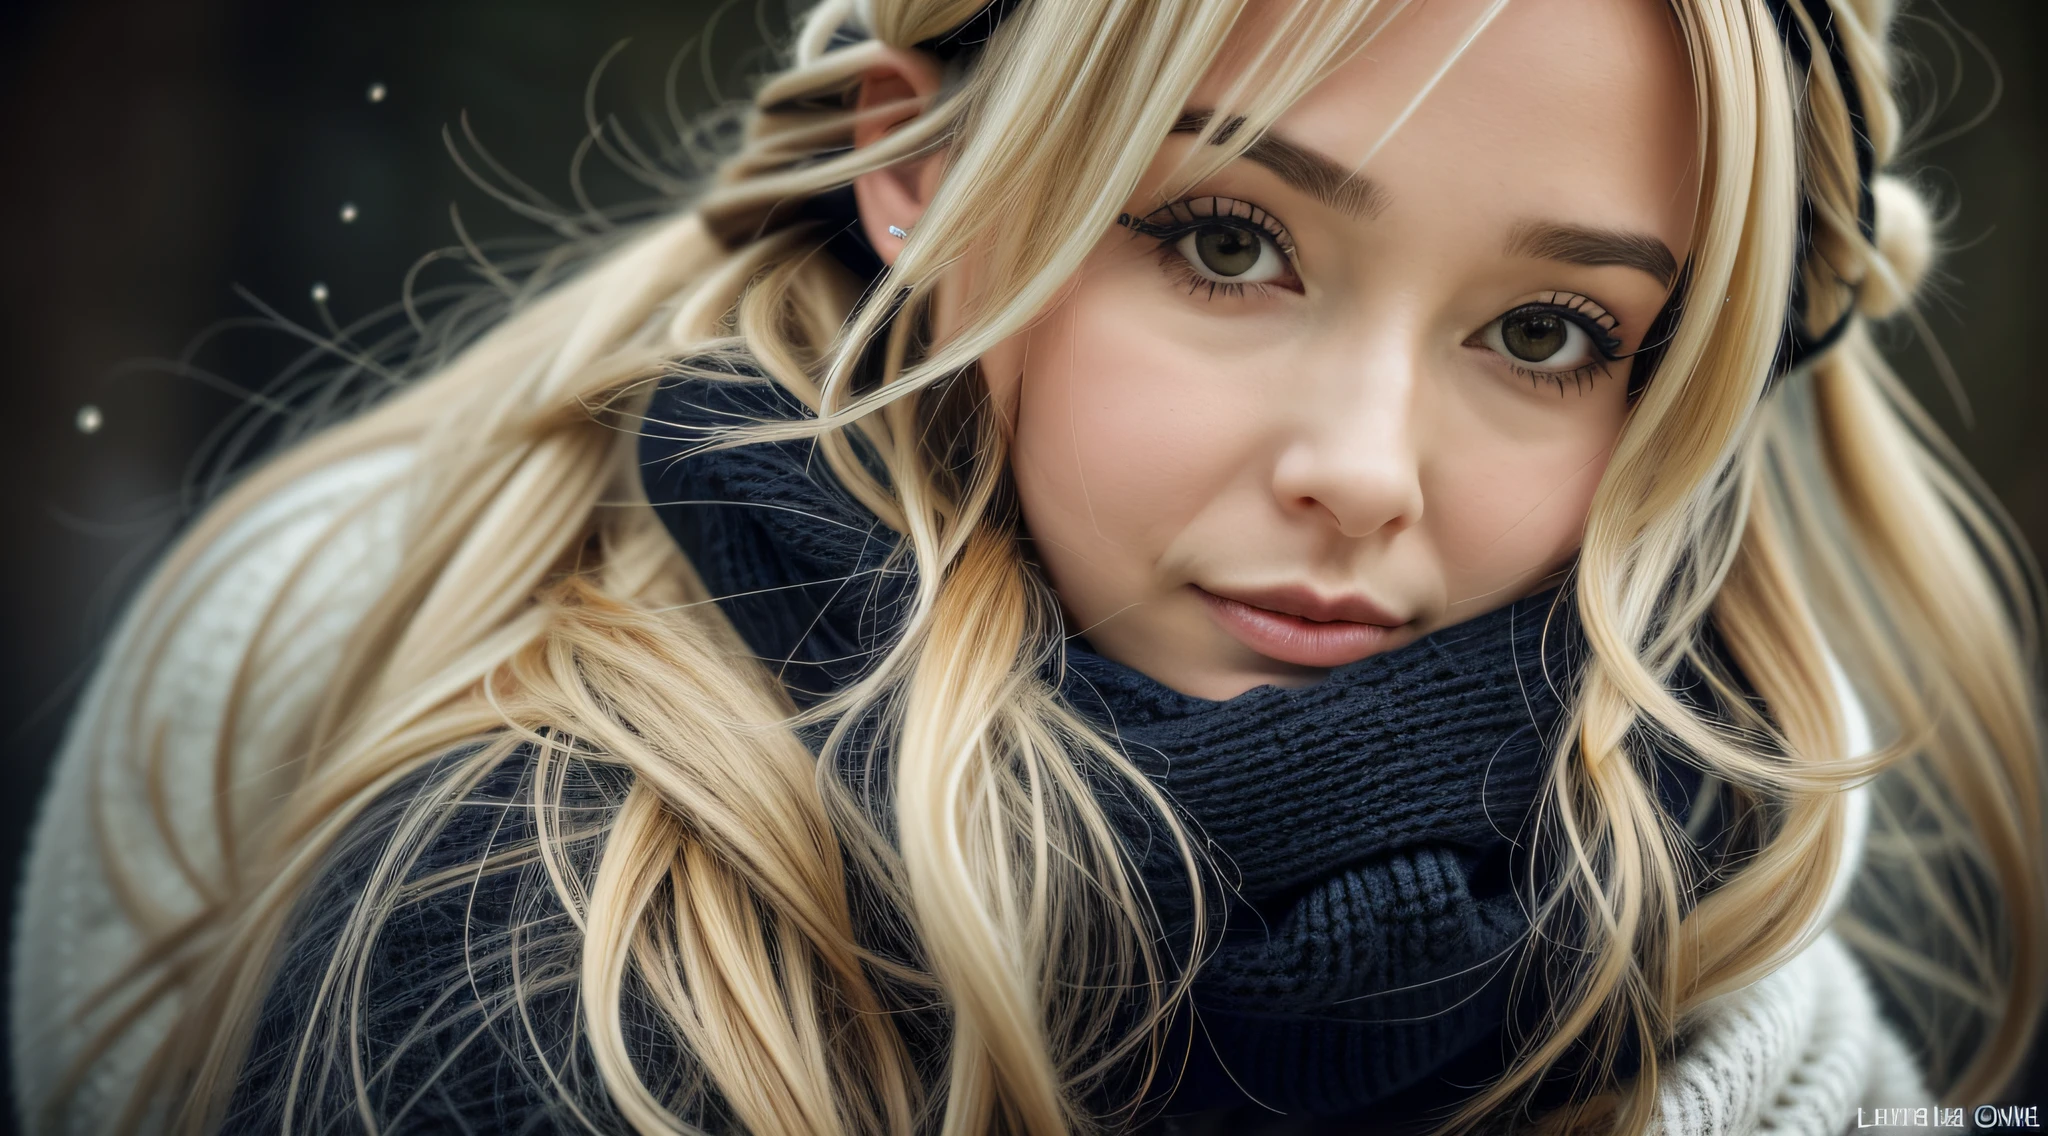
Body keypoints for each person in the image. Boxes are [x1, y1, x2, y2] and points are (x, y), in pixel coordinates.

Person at [11, 0, 2044, 1132]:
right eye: (1228, 241)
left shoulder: (1695, 913)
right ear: (930, 172)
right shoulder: (417, 753)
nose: (1359, 472)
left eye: (1545, 333)